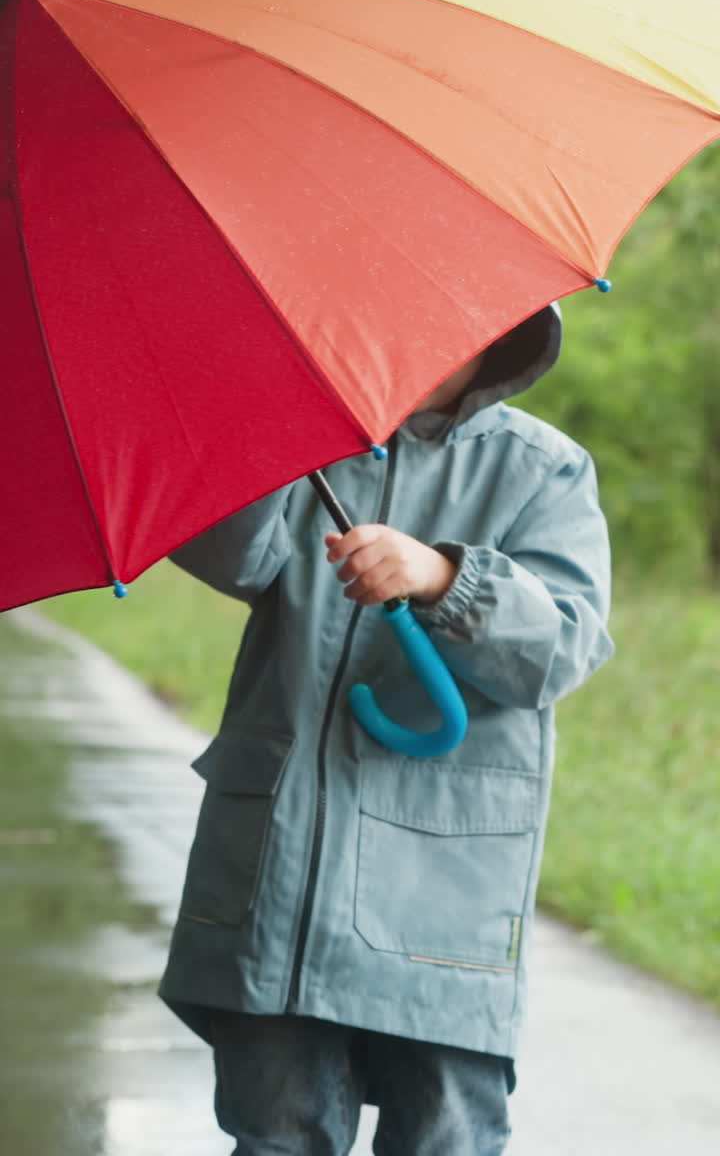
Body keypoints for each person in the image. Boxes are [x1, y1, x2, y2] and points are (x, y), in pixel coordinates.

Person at [160, 304, 613, 1155]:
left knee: (443, 1137)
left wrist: (447, 578)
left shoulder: (541, 471)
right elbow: (230, 552)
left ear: (499, 334)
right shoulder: (300, 450)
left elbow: (563, 646)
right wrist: (261, 432)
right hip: (281, 889)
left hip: (441, 903)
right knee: (276, 1135)